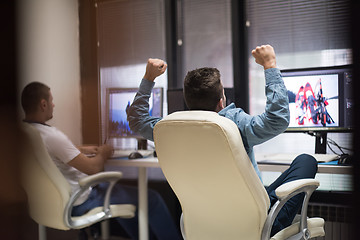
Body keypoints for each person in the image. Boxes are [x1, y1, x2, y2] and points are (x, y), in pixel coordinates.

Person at [126, 45, 318, 236]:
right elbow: (277, 120)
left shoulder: (170, 128)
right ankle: (273, 226)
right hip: (253, 222)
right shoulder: (233, 123)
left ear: (188, 101)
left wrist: (148, 78)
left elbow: (136, 120)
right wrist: (270, 65)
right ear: (221, 101)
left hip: (203, 221)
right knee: (306, 161)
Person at [21, 82, 182, 240]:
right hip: (81, 201)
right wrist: (103, 153)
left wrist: (83, 149)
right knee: (151, 199)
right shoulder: (52, 136)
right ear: (43, 104)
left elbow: (54, 152)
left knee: (129, 203)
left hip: (48, 206)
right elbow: (93, 168)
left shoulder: (26, 134)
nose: (53, 105)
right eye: (51, 100)